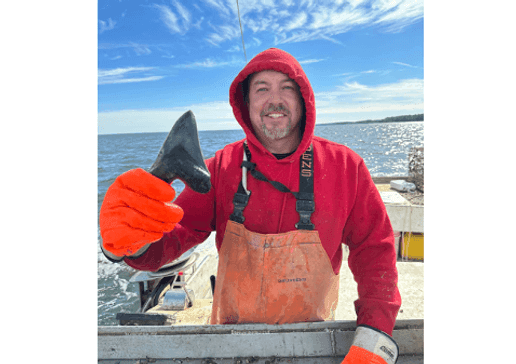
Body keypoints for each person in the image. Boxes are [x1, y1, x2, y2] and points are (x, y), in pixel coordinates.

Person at [99, 48, 401, 364]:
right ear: (246, 103)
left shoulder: (345, 167)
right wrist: (128, 240)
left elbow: (375, 252)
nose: (275, 99)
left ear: (303, 99)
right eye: (262, 89)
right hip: (231, 347)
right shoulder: (220, 169)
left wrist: (373, 339)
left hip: (314, 344)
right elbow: (169, 240)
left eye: (287, 87)